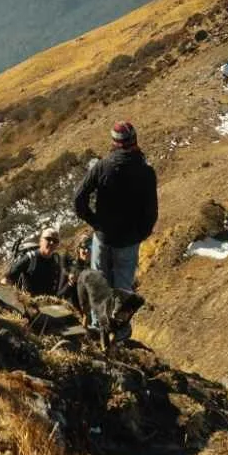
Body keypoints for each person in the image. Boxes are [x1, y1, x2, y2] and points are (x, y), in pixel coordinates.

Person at [71, 121, 157, 338]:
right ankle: (118, 333)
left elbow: (78, 199)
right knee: (123, 288)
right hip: (128, 241)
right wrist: (140, 235)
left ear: (114, 143)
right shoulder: (146, 172)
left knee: (99, 283)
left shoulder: (102, 166)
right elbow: (151, 212)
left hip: (103, 237)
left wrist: (95, 222)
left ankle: (97, 328)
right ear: (134, 140)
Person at [5, 226, 70, 298]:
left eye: (55, 241)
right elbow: (8, 278)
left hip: (50, 303)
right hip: (30, 303)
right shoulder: (30, 258)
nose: (52, 243)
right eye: (48, 239)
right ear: (41, 241)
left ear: (57, 244)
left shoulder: (57, 259)